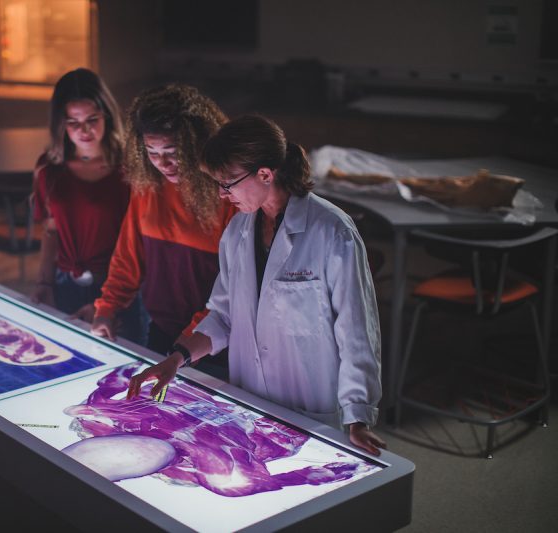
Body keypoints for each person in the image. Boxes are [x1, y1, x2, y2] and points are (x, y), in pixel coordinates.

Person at [127, 115, 387, 456]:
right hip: (251, 399)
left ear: (265, 173)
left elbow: (356, 329)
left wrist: (358, 415)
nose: (222, 195)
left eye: (228, 183)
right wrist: (176, 359)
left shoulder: (332, 231)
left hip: (312, 405)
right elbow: (223, 317)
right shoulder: (237, 232)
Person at [75, 84, 237, 355]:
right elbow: (127, 259)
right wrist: (107, 309)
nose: (162, 163)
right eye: (152, 153)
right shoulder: (148, 187)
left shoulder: (229, 194)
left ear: (196, 144)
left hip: (215, 340)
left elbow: (235, 289)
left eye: (172, 153)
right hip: (162, 330)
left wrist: (192, 341)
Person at [30, 68, 147, 345]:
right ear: (60, 124)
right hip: (64, 284)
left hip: (118, 287)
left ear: (107, 115)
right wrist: (43, 284)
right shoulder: (50, 168)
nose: (84, 130)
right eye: (73, 122)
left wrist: (110, 303)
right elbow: (51, 232)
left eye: (92, 119)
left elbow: (144, 243)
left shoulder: (130, 167)